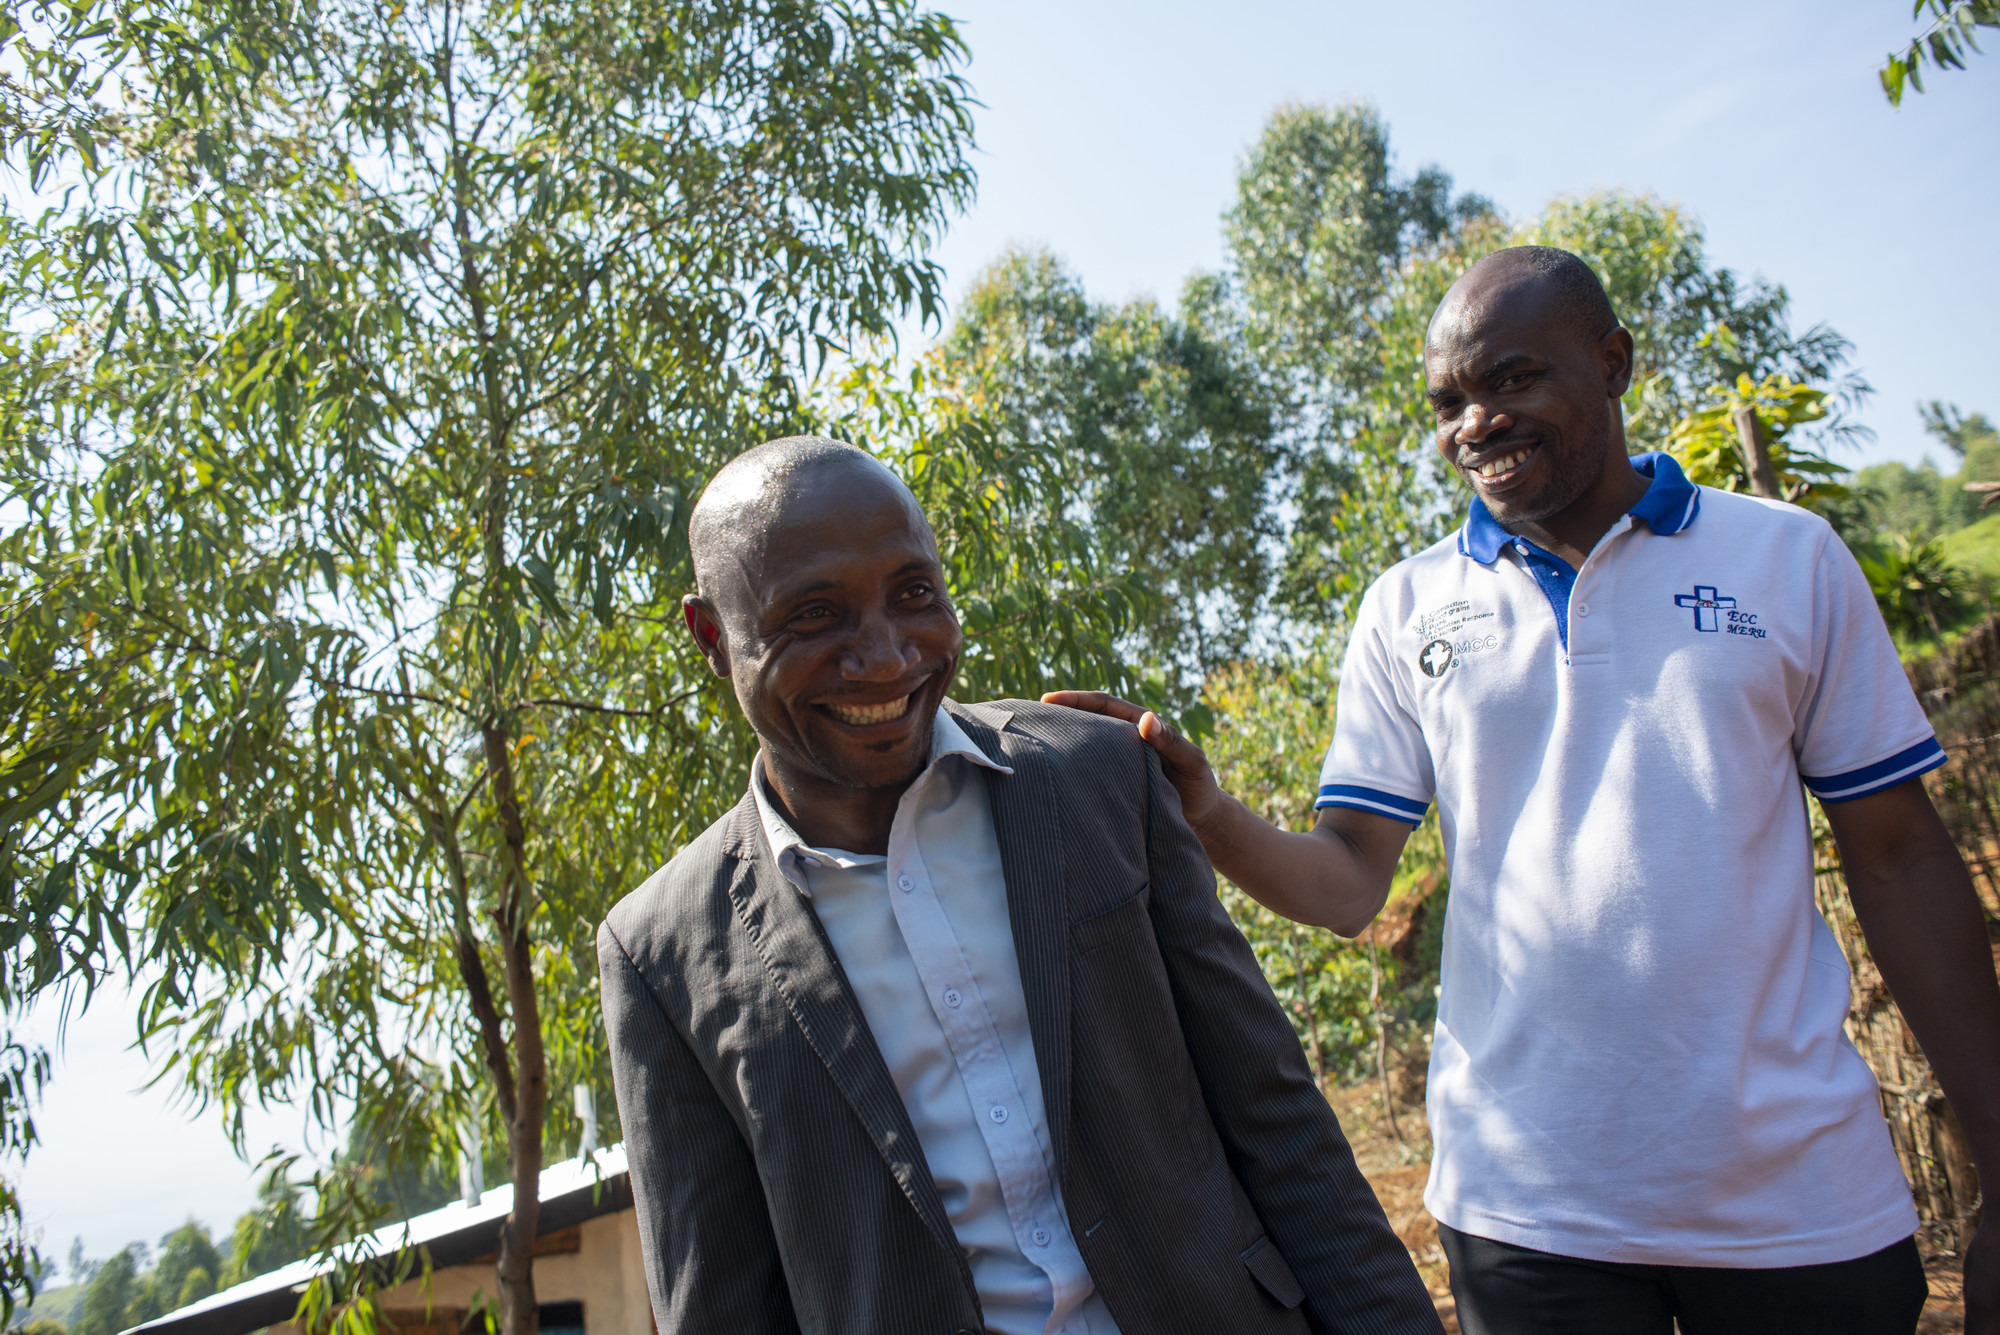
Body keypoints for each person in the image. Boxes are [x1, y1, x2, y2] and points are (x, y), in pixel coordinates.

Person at [1047, 247, 2000, 1335]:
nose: (1474, 424)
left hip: (1798, 1208)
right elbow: (1350, 882)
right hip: (1526, 1214)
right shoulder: (1405, 609)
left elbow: (1898, 857)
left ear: (1611, 363)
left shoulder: (1784, 561)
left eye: (1510, 380)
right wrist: (1206, 809)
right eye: (1447, 402)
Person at [597, 437, 1442, 1335]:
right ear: (710, 635)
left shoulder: (1099, 779)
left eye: (914, 593)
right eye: (814, 616)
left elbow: (1282, 1127)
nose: (885, 657)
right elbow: (720, 1304)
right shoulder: (662, 953)